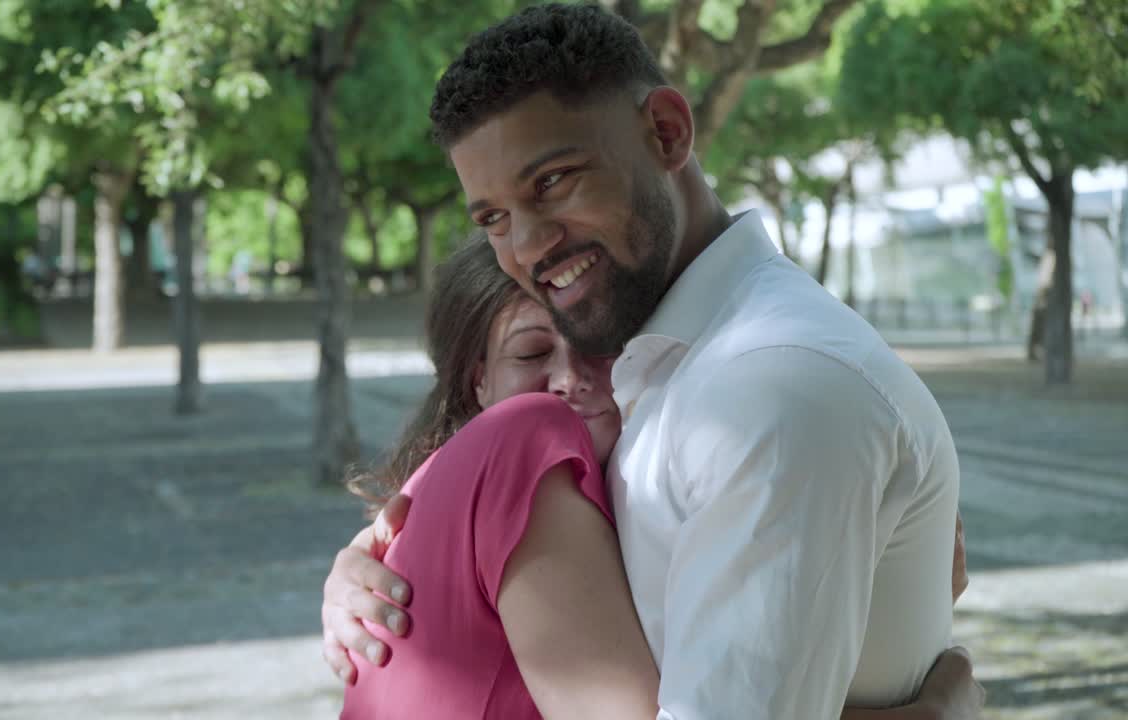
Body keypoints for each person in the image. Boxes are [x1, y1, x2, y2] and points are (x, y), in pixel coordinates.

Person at [325, 5, 971, 717]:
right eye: (492, 219)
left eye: (552, 182)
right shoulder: (653, 373)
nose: (528, 245)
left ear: (667, 132)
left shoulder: (772, 388)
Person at [339, 240, 979, 719]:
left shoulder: (580, 503)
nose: (569, 378)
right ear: (476, 378)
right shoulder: (523, 441)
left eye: (595, 346)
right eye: (533, 353)